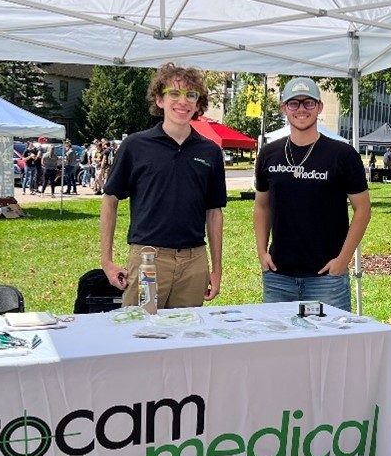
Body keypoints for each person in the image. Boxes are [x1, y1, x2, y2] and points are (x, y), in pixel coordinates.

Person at [100, 63, 226, 308]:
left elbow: (214, 213)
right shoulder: (135, 146)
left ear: (198, 104)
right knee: (139, 335)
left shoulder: (210, 152)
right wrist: (107, 260)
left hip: (194, 261)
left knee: (186, 337)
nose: (183, 102)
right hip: (148, 257)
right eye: (174, 93)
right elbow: (110, 200)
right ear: (159, 100)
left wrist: (217, 268)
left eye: (191, 95)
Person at [254, 76, 371, 312]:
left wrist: (343, 260)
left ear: (319, 107)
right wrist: (261, 251)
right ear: (284, 108)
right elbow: (262, 207)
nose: (301, 110)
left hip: (327, 277)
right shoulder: (269, 154)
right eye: (293, 103)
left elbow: (363, 210)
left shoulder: (343, 155)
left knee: (331, 348)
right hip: (278, 276)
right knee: (279, 346)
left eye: (308, 103)